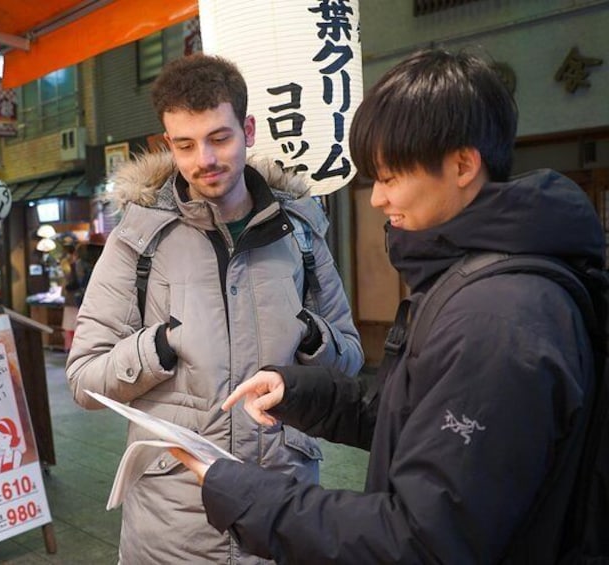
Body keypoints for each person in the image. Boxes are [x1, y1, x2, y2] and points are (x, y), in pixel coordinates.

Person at [171, 48, 605, 564]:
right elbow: (420, 418)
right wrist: (302, 392)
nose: (376, 199)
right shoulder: (475, 277)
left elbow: (423, 540)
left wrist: (244, 494)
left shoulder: (498, 317)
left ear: (463, 164)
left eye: (391, 177)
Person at [66, 53, 363, 563]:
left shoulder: (302, 234)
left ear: (247, 129)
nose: (204, 158)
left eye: (219, 138)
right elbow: (84, 379)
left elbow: (352, 358)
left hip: (281, 508)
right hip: (172, 523)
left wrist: (313, 339)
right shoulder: (138, 240)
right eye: (185, 144)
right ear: (167, 143)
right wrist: (156, 346)